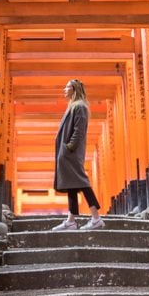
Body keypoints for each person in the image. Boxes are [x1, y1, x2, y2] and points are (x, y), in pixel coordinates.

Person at [52, 79, 105, 231]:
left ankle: (96, 218)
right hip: (68, 153)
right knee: (72, 184)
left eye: (67, 87)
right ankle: (71, 221)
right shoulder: (74, 106)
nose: (64, 89)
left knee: (82, 182)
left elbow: (79, 130)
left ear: (74, 89)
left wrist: (69, 147)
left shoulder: (79, 106)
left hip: (71, 153)